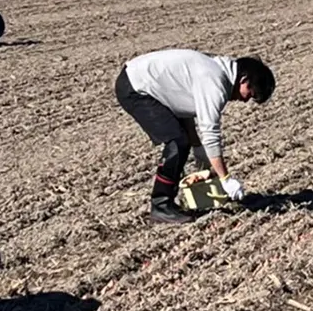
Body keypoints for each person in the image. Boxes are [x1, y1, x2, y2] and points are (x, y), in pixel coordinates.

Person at [115, 49, 276, 224]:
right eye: (250, 94)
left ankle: (167, 204)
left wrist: (198, 148)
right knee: (176, 142)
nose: (245, 100)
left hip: (138, 79)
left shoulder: (216, 71)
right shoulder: (215, 81)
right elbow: (210, 132)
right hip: (136, 87)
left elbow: (183, 108)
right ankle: (161, 206)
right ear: (243, 80)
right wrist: (225, 179)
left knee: (181, 140)